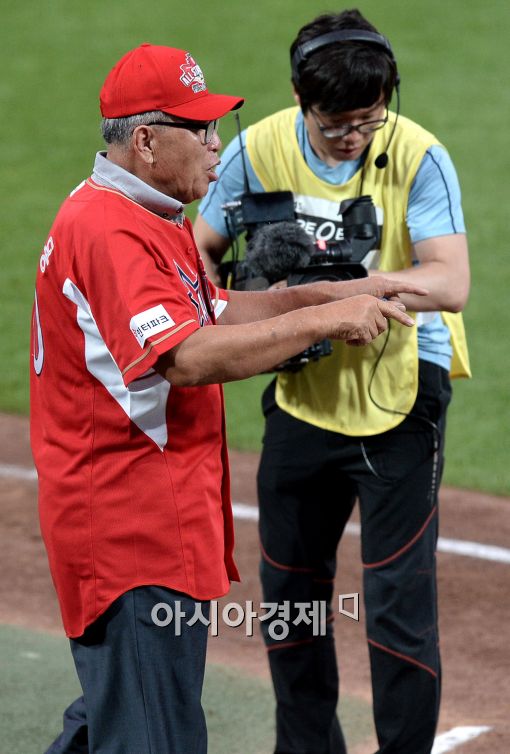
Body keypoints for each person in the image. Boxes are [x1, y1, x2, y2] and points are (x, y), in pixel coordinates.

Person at [29, 42, 424, 754]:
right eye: (200, 130)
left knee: (125, 714)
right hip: (127, 530)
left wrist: (332, 291)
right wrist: (323, 321)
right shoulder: (110, 230)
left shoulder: (145, 213)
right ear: (146, 141)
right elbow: (184, 357)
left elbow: (209, 310)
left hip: (151, 517)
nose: (218, 145)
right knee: (153, 735)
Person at [194, 9, 471, 754]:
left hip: (401, 393)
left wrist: (350, 287)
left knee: (395, 597)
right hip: (302, 395)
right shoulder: (255, 150)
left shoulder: (418, 155)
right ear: (297, 97)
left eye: (368, 120)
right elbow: (199, 257)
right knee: (290, 593)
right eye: (336, 122)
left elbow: (450, 281)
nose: (354, 136)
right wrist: (253, 295)